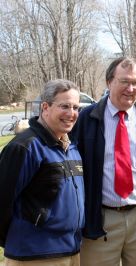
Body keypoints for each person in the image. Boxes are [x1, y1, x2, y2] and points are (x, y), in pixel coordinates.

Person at [70, 57, 136, 266]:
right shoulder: (86, 119)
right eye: (124, 81)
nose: (130, 88)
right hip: (101, 219)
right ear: (109, 82)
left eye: (135, 83)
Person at [0, 79, 84, 265]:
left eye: (76, 107)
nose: (71, 114)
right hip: (34, 255)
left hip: (71, 251)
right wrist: (18, 242)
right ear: (45, 107)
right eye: (65, 106)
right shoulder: (25, 147)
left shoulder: (71, 147)